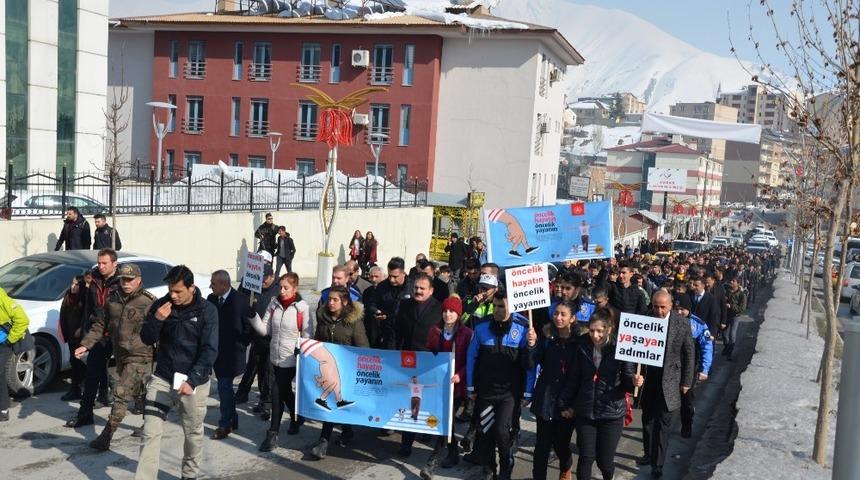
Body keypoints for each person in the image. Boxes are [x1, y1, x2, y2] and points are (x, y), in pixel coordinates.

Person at [135, 265, 218, 480]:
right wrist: (157, 320)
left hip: (193, 383)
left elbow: (210, 350)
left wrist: (193, 380)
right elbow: (146, 338)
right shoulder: (162, 305)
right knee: (150, 433)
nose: (173, 295)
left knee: (192, 434)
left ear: (191, 288)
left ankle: (189, 475)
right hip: (162, 378)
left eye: (178, 291)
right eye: (170, 290)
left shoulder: (207, 311)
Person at [75, 263, 155, 450]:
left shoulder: (149, 301)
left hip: (139, 355)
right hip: (120, 354)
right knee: (138, 393)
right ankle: (151, 421)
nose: (126, 283)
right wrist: (85, 345)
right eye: (123, 280)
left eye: (130, 280)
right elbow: (100, 325)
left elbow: (160, 329)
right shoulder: (112, 299)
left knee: (120, 393)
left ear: (139, 280)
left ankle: (106, 436)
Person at [560, 307, 643, 480]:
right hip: (586, 411)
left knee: (604, 461)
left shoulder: (622, 346)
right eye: (591, 330)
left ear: (609, 330)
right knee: (586, 457)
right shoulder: (583, 345)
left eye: (599, 331)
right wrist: (565, 403)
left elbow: (627, 379)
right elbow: (574, 378)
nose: (595, 335)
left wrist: (635, 382)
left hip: (611, 412)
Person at [466, 291, 534, 480]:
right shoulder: (481, 327)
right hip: (486, 392)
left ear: (511, 307)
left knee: (502, 432)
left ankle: (506, 467)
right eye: (495, 306)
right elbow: (471, 358)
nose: (497, 310)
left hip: (509, 394)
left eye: (502, 306)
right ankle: (489, 469)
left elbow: (530, 366)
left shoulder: (523, 329)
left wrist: (528, 392)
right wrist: (471, 387)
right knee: (485, 432)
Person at [249, 273, 313, 452]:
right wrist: (252, 316)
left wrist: (302, 350)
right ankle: (296, 417)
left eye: (286, 288)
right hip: (274, 357)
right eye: (281, 287)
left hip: (291, 359)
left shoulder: (302, 308)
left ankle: (272, 434)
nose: (282, 291)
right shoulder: (274, 303)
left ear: (295, 288)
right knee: (285, 393)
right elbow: (264, 329)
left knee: (277, 391)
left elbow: (308, 335)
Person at [638, 290, 695, 478]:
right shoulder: (644, 320)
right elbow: (633, 350)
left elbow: (689, 354)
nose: (659, 310)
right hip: (648, 379)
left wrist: (687, 381)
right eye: (656, 306)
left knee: (663, 424)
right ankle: (648, 453)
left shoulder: (682, 324)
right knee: (648, 420)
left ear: (670, 306)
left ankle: (658, 464)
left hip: (670, 380)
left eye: (663, 307)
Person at [309, 286, 370, 460]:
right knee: (331, 404)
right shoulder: (323, 318)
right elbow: (317, 341)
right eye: (329, 299)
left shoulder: (353, 321)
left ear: (344, 302)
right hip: (329, 368)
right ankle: (324, 442)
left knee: (340, 403)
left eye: (335, 300)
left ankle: (344, 431)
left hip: (348, 370)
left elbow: (363, 347)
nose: (331, 303)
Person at [66, 248, 120, 428]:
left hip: (120, 334)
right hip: (99, 332)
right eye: (99, 262)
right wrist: (84, 332)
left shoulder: (123, 281)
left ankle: (146, 416)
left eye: (105, 263)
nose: (101, 266)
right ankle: (85, 415)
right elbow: (88, 306)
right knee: (92, 375)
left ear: (114, 264)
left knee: (133, 376)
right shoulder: (94, 278)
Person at [421, 296, 473, 478]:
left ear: (458, 314)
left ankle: (432, 461)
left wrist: (460, 375)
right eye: (445, 311)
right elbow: (428, 353)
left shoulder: (466, 333)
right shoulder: (435, 331)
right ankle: (453, 454)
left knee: (445, 420)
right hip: (438, 383)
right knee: (446, 421)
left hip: (457, 385)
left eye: (451, 311)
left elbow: (470, 360)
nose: (447, 314)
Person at [529, 299, 580, 480]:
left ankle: (566, 467)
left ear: (572, 318)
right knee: (542, 446)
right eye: (556, 313)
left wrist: (573, 405)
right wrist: (531, 346)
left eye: (563, 314)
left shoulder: (580, 343)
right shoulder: (546, 338)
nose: (558, 317)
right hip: (546, 398)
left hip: (567, 403)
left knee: (561, 444)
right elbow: (531, 363)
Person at [395, 273, 442, 458]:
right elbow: (397, 330)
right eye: (416, 288)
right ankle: (406, 442)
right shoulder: (405, 305)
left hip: (429, 362)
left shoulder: (439, 309)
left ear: (431, 290)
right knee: (410, 401)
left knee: (427, 402)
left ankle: (429, 431)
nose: (418, 291)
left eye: (422, 288)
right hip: (407, 361)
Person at [208, 270, 252, 440]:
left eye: (214, 283)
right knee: (224, 388)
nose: (211, 286)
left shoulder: (240, 300)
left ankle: (225, 424)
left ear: (225, 284)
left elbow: (248, 326)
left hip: (232, 354)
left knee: (224, 388)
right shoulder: (212, 299)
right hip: (216, 353)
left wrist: (242, 344)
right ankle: (233, 418)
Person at [235, 265, 278, 417]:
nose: (262, 281)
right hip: (256, 335)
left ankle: (267, 403)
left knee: (267, 372)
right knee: (254, 367)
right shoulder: (254, 289)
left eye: (265, 278)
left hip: (271, 338)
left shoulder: (278, 291)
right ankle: (250, 395)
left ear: (272, 276)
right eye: (261, 277)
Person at [672, 295, 713, 438]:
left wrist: (704, 369)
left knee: (686, 400)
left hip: (689, 368)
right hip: (670, 367)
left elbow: (707, 347)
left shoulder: (698, 325)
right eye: (676, 309)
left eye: (682, 309)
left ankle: (687, 425)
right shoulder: (667, 321)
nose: (678, 312)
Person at [59, 271, 91, 401]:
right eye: (72, 284)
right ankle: (76, 389)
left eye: (77, 284)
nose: (73, 287)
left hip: (81, 336)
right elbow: (64, 316)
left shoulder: (85, 298)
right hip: (71, 335)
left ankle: (97, 388)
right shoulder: (68, 297)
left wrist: (81, 329)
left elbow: (87, 315)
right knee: (74, 362)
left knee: (83, 363)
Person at [0, 287, 31, 422]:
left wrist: (9, 340)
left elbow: (22, 320)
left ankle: (3, 409)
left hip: (3, 344)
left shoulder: (2, 299)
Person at [366, 257, 409, 350]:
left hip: (407, 336)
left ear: (403, 273)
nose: (392, 280)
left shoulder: (413, 287)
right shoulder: (382, 286)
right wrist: (376, 311)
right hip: (387, 333)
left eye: (395, 276)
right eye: (390, 276)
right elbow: (371, 303)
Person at [723, 276, 747, 361]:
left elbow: (742, 309)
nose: (731, 282)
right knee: (724, 334)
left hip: (735, 316)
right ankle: (726, 347)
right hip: (726, 315)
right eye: (731, 280)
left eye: (734, 281)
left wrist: (731, 306)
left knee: (732, 335)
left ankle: (729, 353)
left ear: (738, 283)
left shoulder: (742, 295)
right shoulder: (727, 292)